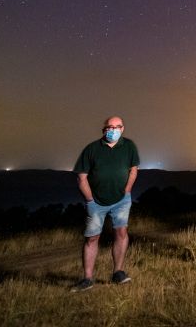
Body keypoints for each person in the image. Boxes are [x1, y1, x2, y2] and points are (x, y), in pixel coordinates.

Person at [71, 116, 140, 292]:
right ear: (104, 130)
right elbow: (81, 176)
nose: (114, 130)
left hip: (122, 200)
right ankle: (87, 278)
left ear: (123, 129)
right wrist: (89, 199)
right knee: (92, 237)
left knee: (121, 232)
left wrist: (127, 190)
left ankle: (118, 272)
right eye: (110, 127)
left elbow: (134, 169)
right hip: (97, 202)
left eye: (118, 127)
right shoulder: (92, 149)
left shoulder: (129, 146)